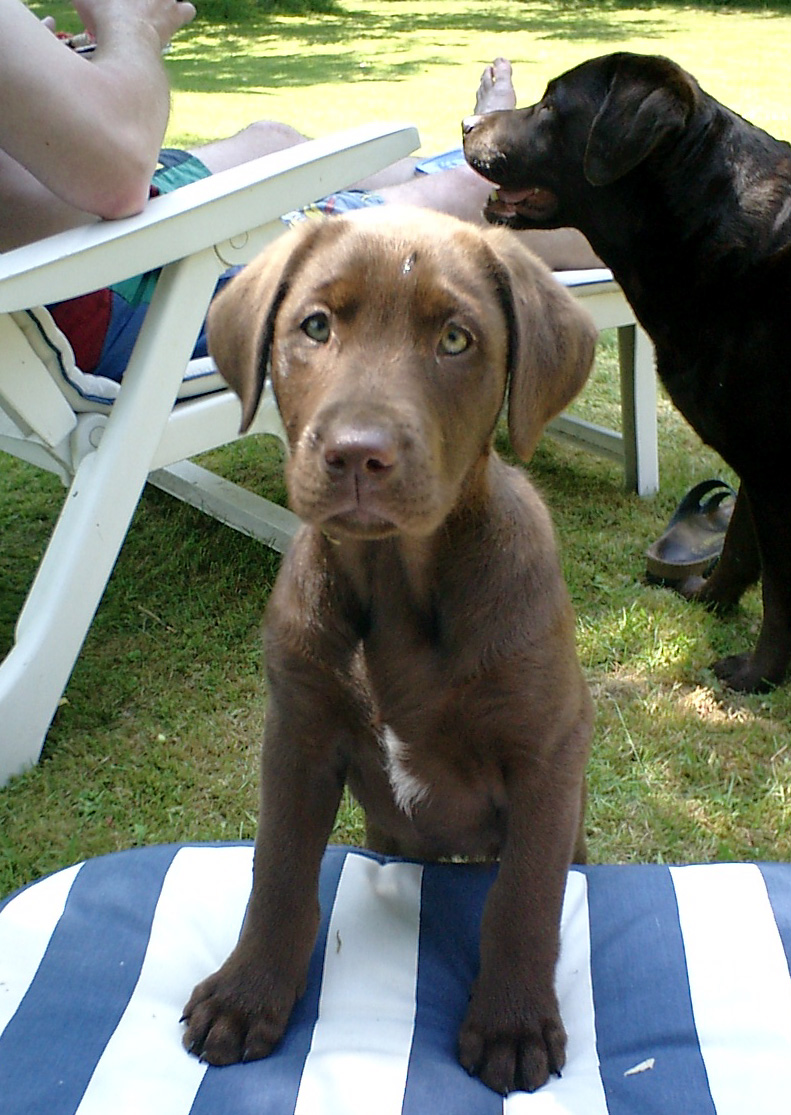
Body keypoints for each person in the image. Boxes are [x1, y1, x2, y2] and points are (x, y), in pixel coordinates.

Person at [1, 1, 599, 381]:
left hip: (90, 249)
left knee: (274, 140)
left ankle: (468, 161)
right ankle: (622, 224)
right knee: (473, 202)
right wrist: (131, 29)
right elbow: (119, 171)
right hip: (125, 284)